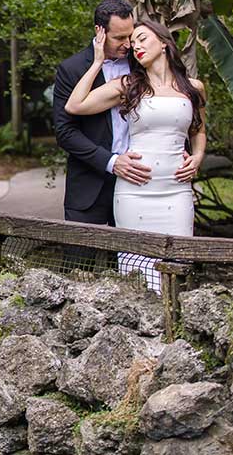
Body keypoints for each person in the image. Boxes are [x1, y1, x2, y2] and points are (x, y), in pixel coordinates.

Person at [64, 17, 207, 291]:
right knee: (136, 270)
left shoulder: (193, 88)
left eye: (142, 39)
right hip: (135, 191)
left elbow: (198, 130)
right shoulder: (127, 85)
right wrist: (96, 62)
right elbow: (75, 105)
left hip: (176, 190)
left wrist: (198, 157)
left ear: (164, 43)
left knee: (178, 262)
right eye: (132, 43)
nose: (135, 47)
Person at [53, 0, 152, 268]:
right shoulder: (71, 69)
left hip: (139, 181)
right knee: (77, 269)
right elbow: (65, 132)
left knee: (135, 267)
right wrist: (111, 162)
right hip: (90, 184)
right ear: (100, 32)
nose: (128, 44)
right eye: (120, 37)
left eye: (130, 36)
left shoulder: (143, 64)